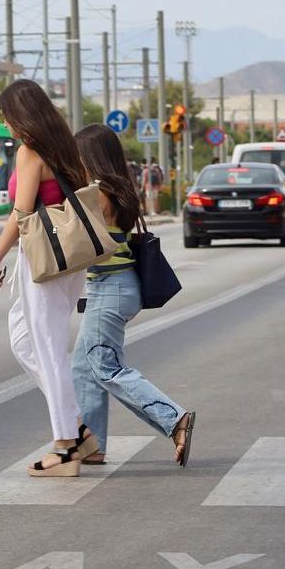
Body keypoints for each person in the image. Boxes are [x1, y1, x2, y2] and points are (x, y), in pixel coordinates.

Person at [0, 79, 94, 477]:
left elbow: (21, 212)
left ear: (19, 113)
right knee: (23, 338)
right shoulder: (65, 146)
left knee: (47, 347)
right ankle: (80, 427)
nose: (4, 124)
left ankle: (66, 446)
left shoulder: (30, 151)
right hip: (70, 259)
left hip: (44, 258)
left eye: (5, 115)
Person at [72, 124, 196, 468]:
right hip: (117, 286)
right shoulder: (118, 188)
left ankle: (174, 418)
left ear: (89, 157)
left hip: (110, 290)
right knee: (83, 368)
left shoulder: (97, 193)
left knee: (106, 368)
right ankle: (92, 445)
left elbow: (67, 232)